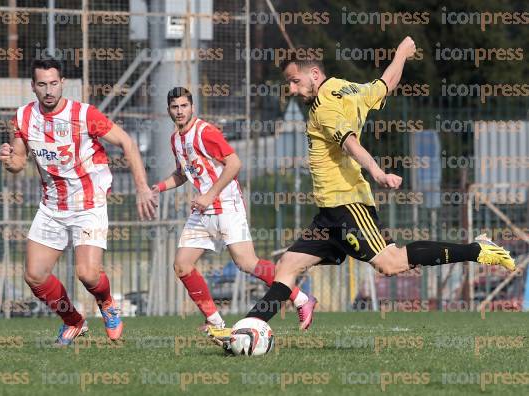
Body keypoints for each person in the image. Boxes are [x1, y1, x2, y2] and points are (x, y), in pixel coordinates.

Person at [234, 36, 515, 330]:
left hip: (347, 205)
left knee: (391, 263)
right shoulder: (351, 89)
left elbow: (350, 143)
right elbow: (386, 83)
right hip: (329, 213)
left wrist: (377, 172)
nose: (291, 89)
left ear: (314, 74)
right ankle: (250, 327)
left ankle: (478, 250)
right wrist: (402, 53)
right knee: (287, 267)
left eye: (294, 81)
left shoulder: (325, 107)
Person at [0, 58, 156, 345]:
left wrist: (142, 187)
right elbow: (19, 161)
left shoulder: (84, 115)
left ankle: (106, 303)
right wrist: (9, 159)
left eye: (54, 83)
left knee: (88, 274)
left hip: (89, 203)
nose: (49, 90)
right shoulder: (23, 117)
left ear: (62, 84)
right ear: (33, 86)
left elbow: (127, 143)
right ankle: (73, 321)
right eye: (42, 84)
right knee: (34, 275)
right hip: (52, 206)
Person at [152, 87, 317, 334]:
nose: (179, 111)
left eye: (184, 106)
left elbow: (234, 163)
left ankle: (300, 297)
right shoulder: (175, 139)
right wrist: (159, 187)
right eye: (174, 107)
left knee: (247, 263)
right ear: (168, 110)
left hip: (227, 206)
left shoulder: (205, 132)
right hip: (203, 210)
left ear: (192, 107)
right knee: (182, 265)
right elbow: (183, 173)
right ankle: (215, 321)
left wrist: (209, 195)